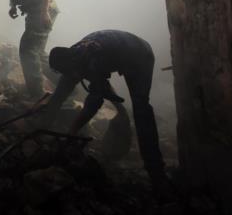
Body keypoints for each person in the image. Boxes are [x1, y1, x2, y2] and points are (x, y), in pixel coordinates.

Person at [45, 30, 168, 189]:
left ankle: (156, 171)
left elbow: (94, 103)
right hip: (115, 49)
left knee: (141, 108)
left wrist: (72, 131)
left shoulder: (92, 58)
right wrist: (45, 121)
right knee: (78, 81)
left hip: (139, 54)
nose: (71, 75)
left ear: (73, 66)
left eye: (72, 72)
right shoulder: (73, 55)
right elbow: (61, 92)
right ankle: (122, 113)